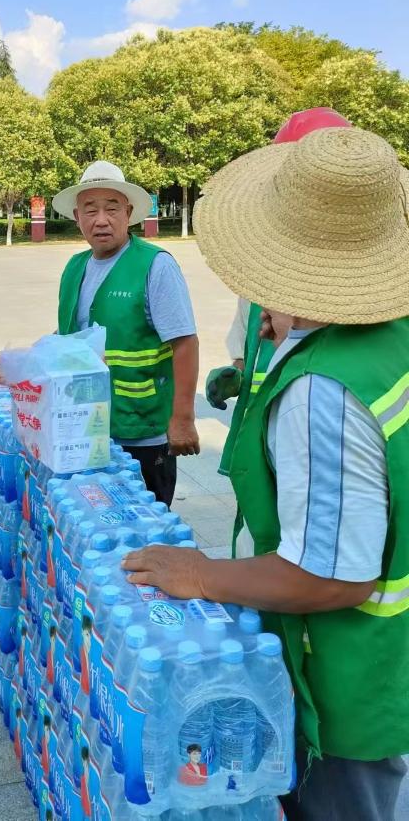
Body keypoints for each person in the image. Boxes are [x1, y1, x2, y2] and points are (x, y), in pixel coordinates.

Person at [122, 127, 409, 820]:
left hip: (345, 673)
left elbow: (331, 575)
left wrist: (200, 574)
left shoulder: (323, 389)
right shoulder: (385, 334)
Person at [205, 109, 352, 485]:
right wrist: (234, 377)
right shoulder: (258, 272)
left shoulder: (365, 286)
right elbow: (246, 350)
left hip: (323, 457)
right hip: (261, 443)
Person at [53, 161, 200, 506]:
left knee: (147, 529)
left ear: (129, 212)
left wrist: (182, 418)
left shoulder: (155, 265)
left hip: (144, 430)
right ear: (77, 216)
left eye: (111, 208)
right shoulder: (75, 267)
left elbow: (185, 342)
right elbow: (71, 335)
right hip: (89, 427)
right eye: (90, 210)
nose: (100, 220)